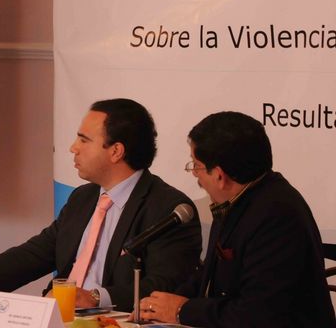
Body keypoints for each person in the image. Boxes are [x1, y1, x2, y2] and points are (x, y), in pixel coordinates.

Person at [0, 98, 202, 311]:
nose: (73, 148)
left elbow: (164, 286)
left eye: (84, 140)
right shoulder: (84, 197)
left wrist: (95, 297)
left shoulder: (167, 208)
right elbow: (36, 253)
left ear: (116, 151)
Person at [138, 111, 336, 327]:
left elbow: (257, 314)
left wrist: (180, 310)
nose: (194, 173)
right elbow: (209, 275)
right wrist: (161, 304)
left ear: (219, 175)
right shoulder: (237, 198)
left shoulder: (277, 215)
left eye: (196, 165)